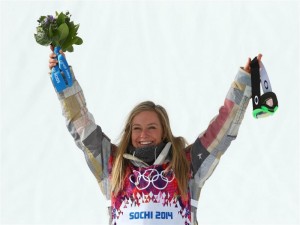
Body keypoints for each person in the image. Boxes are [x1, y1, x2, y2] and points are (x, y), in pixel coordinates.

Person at [48, 46, 262, 225]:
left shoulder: (186, 166)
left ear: (164, 133)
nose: (144, 134)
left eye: (152, 127)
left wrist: (243, 82)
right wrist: (67, 91)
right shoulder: (113, 166)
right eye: (137, 128)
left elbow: (220, 133)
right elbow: (83, 128)